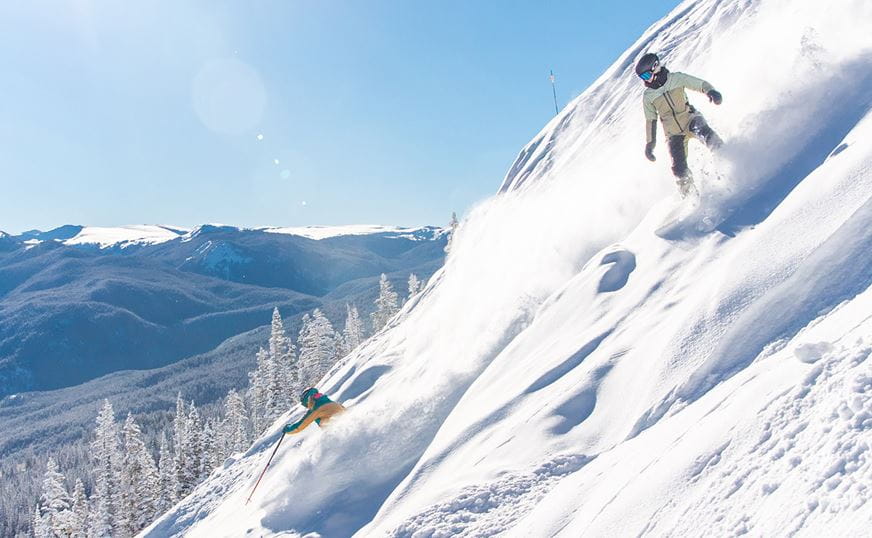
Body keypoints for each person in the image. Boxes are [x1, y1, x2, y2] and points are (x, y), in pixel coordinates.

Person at [636, 52, 724, 198]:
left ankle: (729, 161)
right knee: (678, 168)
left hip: (690, 119)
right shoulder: (648, 96)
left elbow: (699, 84)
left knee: (707, 135)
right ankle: (690, 198)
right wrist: (650, 144)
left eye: (646, 75)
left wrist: (712, 92)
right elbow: (650, 120)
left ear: (655, 67)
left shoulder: (676, 78)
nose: (645, 80)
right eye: (642, 78)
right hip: (673, 134)